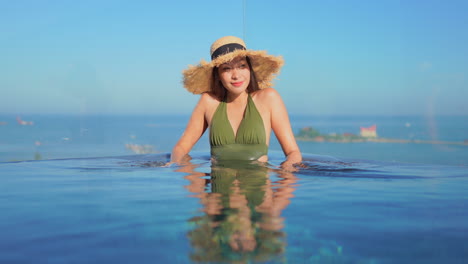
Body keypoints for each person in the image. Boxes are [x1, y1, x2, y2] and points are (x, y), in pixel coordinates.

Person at [170, 36, 301, 169]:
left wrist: (286, 175)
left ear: (250, 68)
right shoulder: (209, 102)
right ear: (218, 75)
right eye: (226, 68)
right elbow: (180, 147)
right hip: (219, 189)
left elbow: (293, 152)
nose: (236, 75)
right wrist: (190, 175)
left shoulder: (268, 98)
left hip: (258, 187)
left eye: (242, 66)